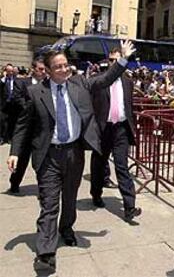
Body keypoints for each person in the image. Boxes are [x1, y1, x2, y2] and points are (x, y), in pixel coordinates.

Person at [7, 40, 135, 272]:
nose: (64, 70)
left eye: (66, 65)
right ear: (47, 70)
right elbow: (23, 126)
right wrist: (15, 152)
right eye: (59, 67)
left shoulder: (80, 84)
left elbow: (105, 79)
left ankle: (67, 229)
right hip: (48, 156)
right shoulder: (36, 93)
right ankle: (45, 253)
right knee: (49, 203)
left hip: (74, 154)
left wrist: (124, 59)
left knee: (69, 199)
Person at [90, 47, 141, 222]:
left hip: (121, 129)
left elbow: (129, 106)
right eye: (111, 60)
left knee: (122, 166)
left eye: (116, 60)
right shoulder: (97, 80)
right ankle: (96, 194)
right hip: (103, 130)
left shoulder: (127, 82)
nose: (113, 63)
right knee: (99, 164)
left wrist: (131, 126)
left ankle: (129, 207)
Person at [7, 57, 47, 194]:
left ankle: (45, 186)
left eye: (44, 69)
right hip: (25, 129)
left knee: (42, 161)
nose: (43, 72)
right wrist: (34, 107)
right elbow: (17, 98)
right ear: (33, 69)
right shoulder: (22, 83)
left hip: (40, 131)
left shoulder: (47, 85)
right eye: (40, 69)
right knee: (22, 160)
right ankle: (15, 182)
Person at [0, 63, 17, 143]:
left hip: (13, 104)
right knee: (2, 121)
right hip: (3, 104)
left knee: (11, 121)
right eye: (9, 71)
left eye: (11, 71)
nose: (10, 73)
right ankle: (2, 138)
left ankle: (9, 138)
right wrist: (3, 78)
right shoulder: (2, 80)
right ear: (5, 71)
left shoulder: (16, 80)